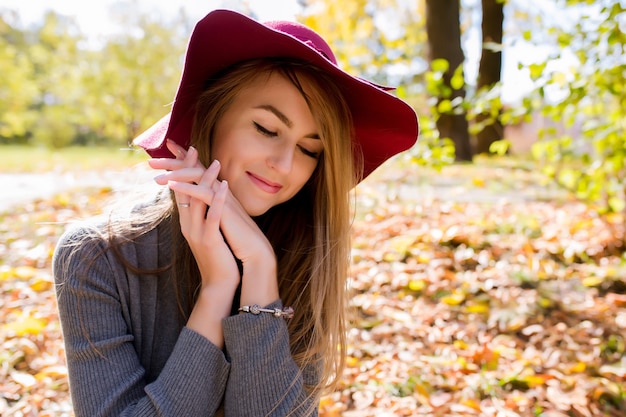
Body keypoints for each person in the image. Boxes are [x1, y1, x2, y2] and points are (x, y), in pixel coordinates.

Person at [53, 8, 418, 417]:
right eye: (266, 128)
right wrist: (218, 288)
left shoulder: (306, 255)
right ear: (211, 116)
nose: (284, 163)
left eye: (310, 149)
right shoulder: (95, 256)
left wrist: (261, 273)